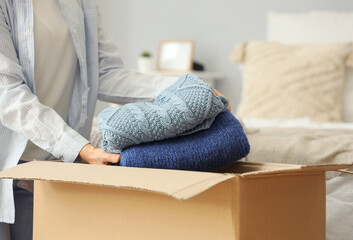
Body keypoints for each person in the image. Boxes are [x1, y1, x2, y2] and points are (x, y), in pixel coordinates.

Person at [0, 0, 230, 239]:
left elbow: (106, 73)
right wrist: (79, 147)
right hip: (12, 167)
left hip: (57, 167)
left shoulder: (81, 3)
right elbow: (8, 92)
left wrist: (186, 88)